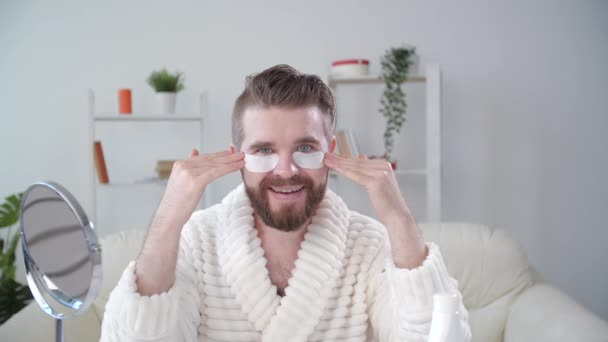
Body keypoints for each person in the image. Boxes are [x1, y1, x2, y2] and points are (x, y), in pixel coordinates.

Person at [100, 64, 471, 342]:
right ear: (236, 157)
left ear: (332, 153)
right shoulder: (195, 242)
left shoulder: (370, 246)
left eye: (306, 148)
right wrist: (169, 216)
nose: (286, 170)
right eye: (264, 150)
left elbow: (435, 335)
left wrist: (397, 215)